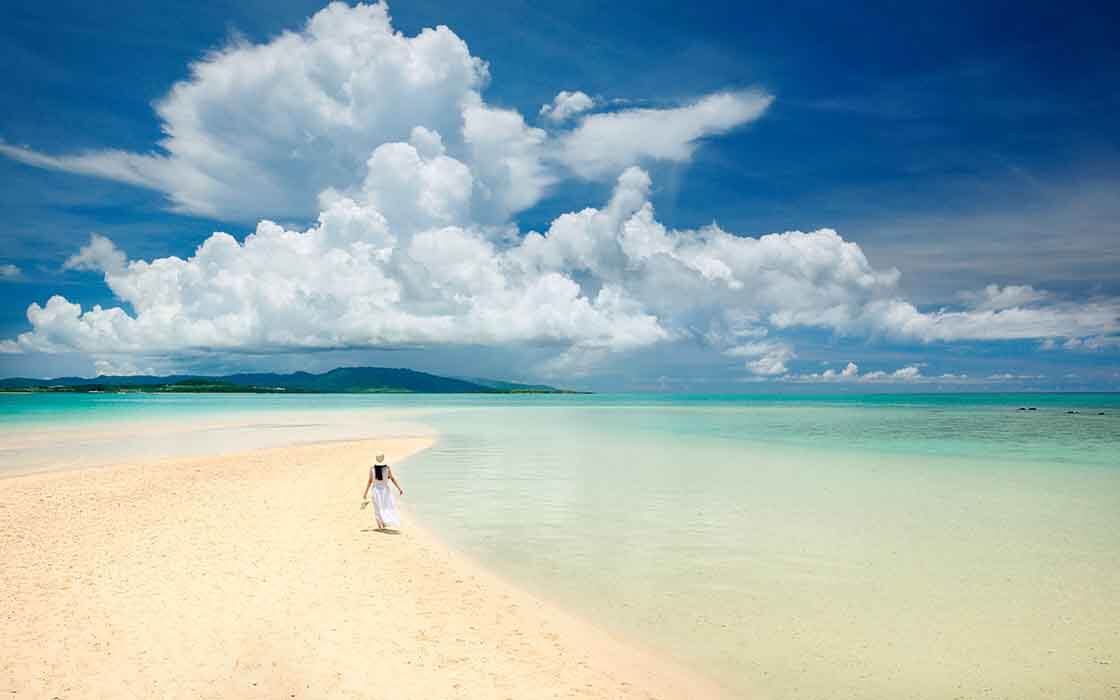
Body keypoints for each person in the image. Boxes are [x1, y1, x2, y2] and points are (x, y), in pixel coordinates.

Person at [361, 453, 404, 530]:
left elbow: (370, 481)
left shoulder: (372, 469)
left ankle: (380, 525)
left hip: (375, 490)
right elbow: (392, 479)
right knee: (385, 506)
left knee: (377, 508)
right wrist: (399, 488)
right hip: (385, 491)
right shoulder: (387, 468)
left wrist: (365, 493)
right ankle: (383, 523)